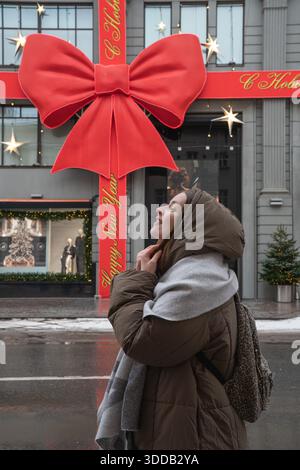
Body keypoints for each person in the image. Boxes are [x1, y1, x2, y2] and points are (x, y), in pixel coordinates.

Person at [107, 185, 247, 450]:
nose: (159, 210)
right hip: (182, 421)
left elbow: (142, 343)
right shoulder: (183, 275)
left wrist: (138, 282)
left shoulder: (197, 283)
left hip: (195, 433)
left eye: (172, 207)